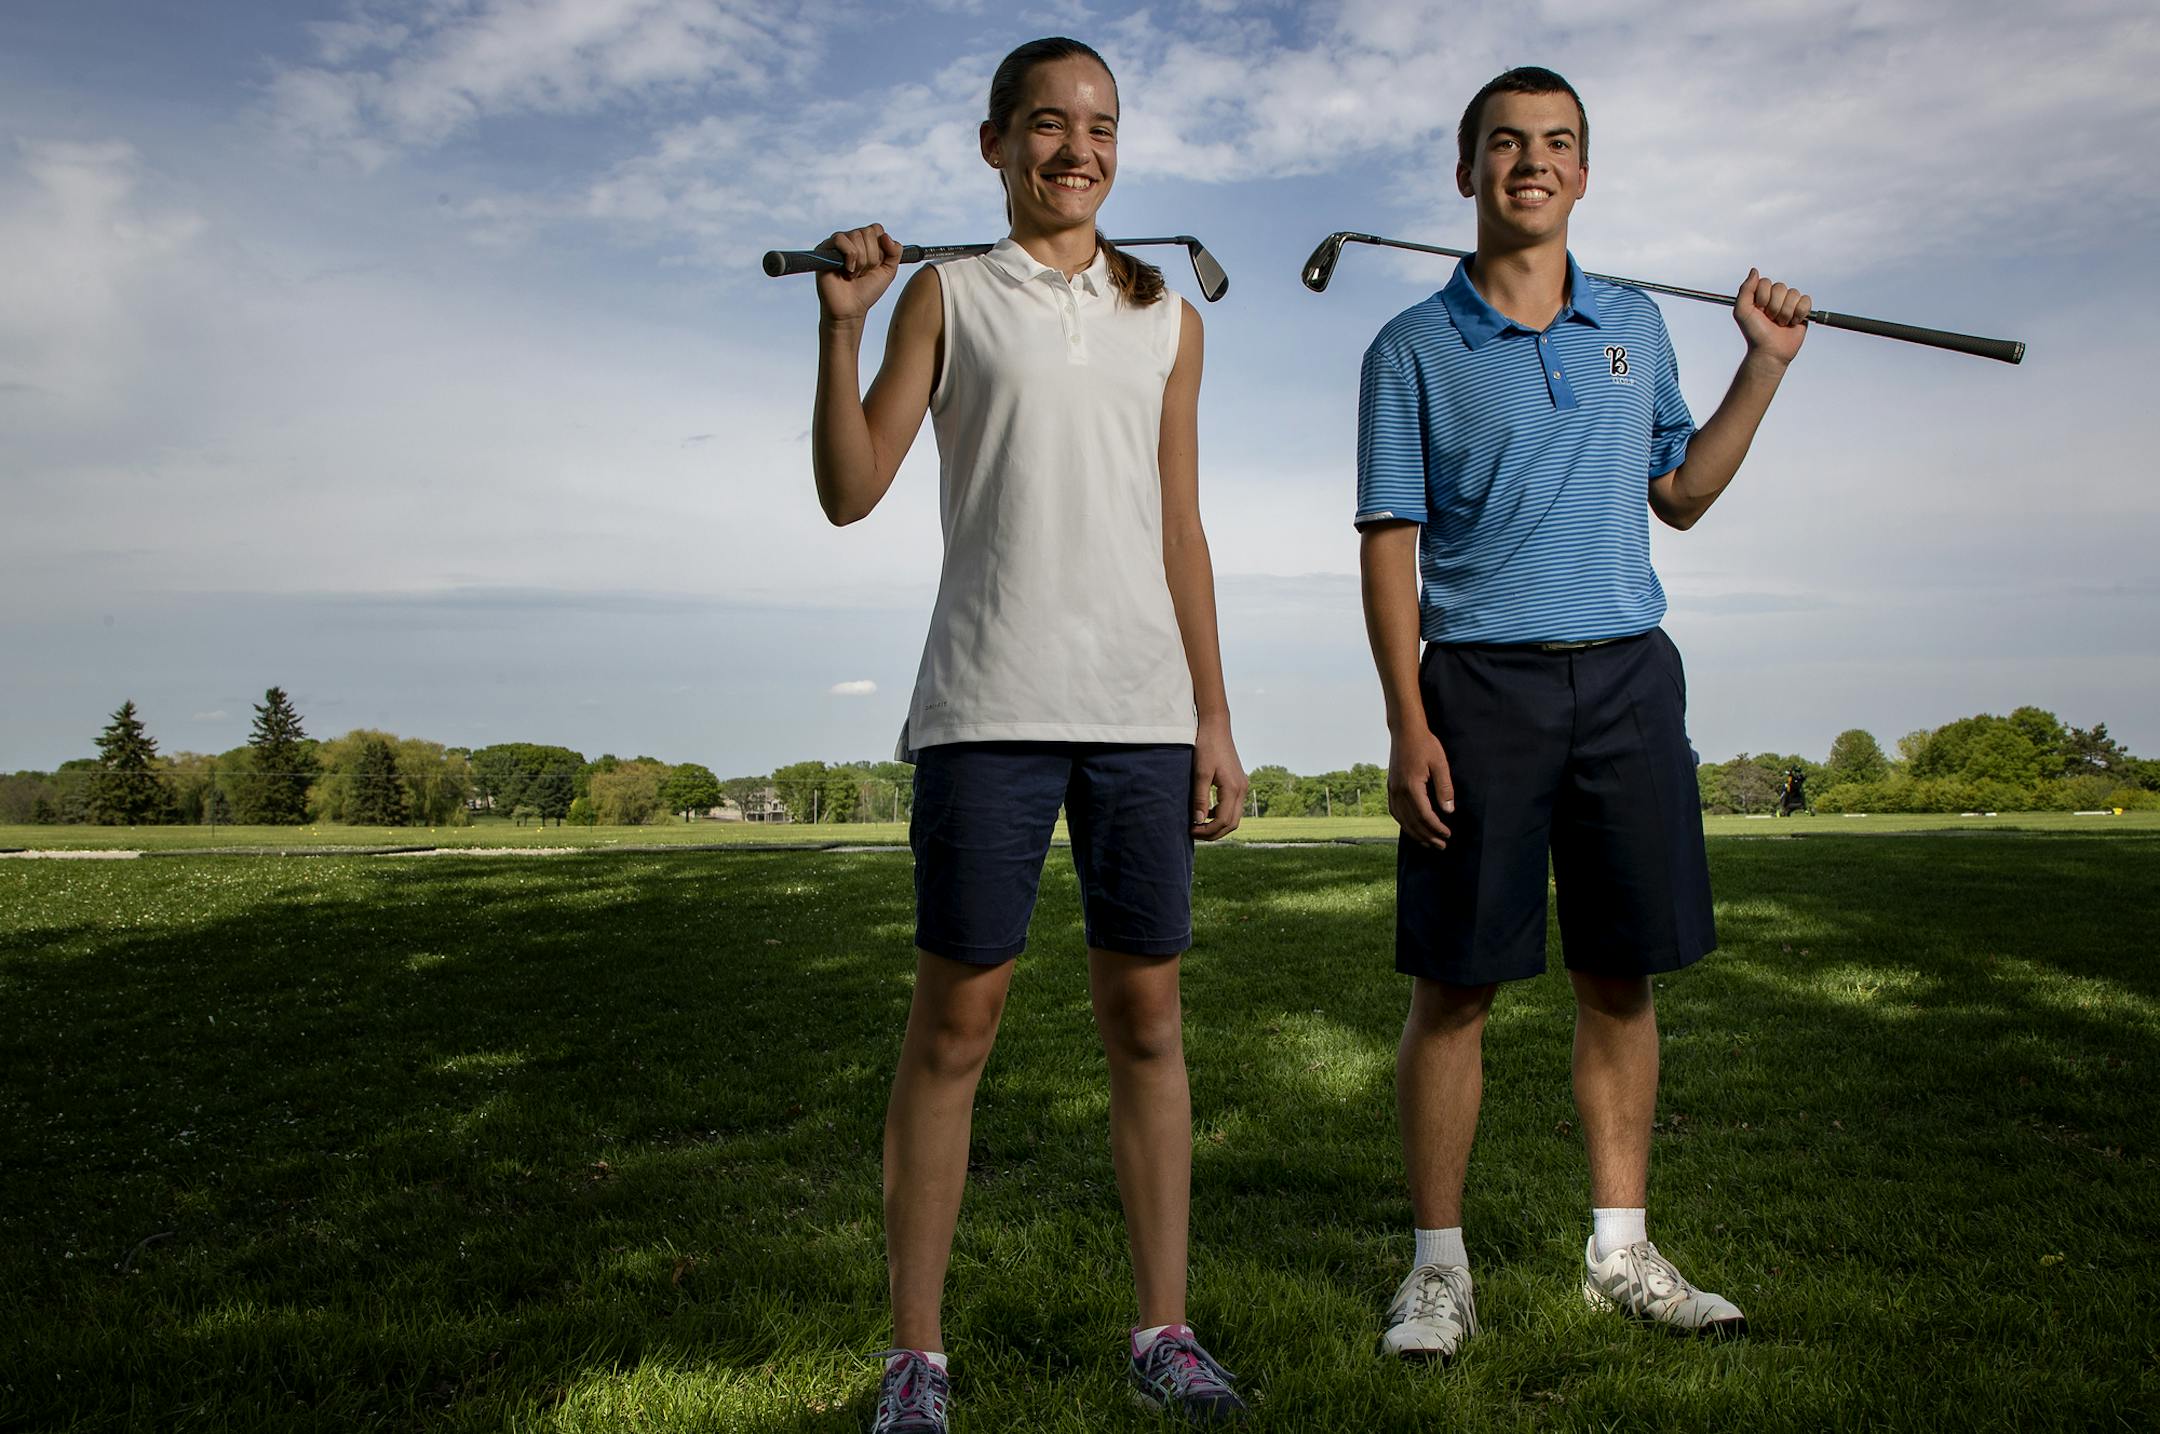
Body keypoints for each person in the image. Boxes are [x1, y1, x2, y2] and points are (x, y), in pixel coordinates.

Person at [805, 36, 1250, 1431]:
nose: (1078, 150)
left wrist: (1214, 714)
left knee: (1148, 1019)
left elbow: (1180, 526)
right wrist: (842, 325)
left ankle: (1163, 1328)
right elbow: (850, 486)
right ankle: (916, 1360)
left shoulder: (1171, 322)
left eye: (1101, 127)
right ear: (992, 143)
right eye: (1047, 126)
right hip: (988, 705)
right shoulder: (945, 294)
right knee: (957, 1023)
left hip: (1140, 712)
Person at [1354, 66, 1811, 1360]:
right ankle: (1439, 1271)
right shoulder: (1410, 349)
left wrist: (1762, 368)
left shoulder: (1634, 326)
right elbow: (1392, 542)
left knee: (1622, 974)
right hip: (1479, 687)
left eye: (1557, 144)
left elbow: (1684, 493)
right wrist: (1407, 717)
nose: (1531, 162)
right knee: (1456, 984)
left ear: (1584, 173)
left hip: (1626, 678)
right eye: (1506, 144)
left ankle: (1621, 1246)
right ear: (1467, 172)